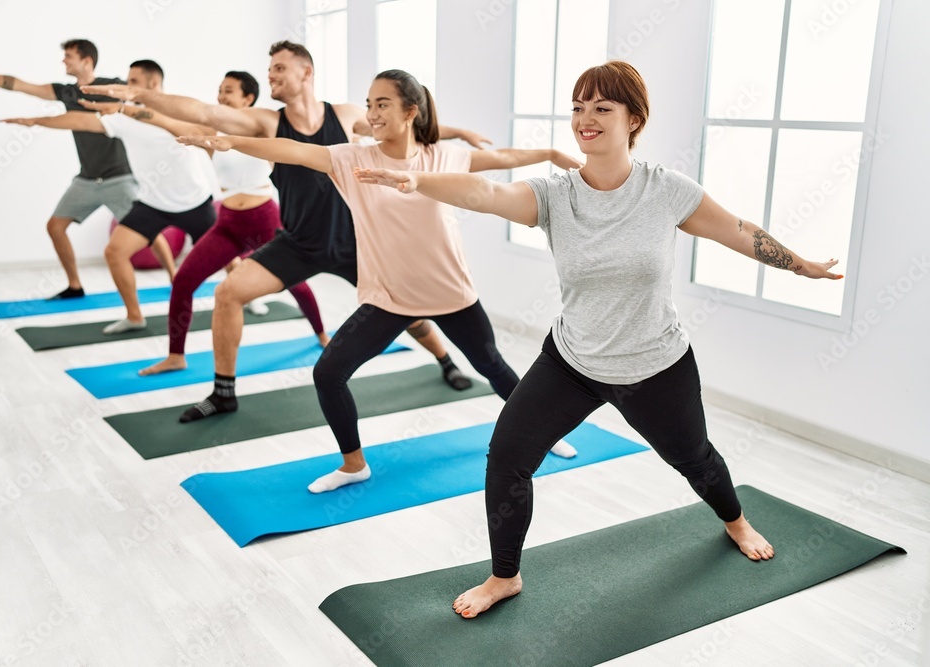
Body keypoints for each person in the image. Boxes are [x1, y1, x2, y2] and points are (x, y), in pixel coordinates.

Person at [355, 61, 844, 618]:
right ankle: (503, 577)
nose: (586, 120)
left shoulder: (665, 191)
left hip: (656, 363)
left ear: (633, 119)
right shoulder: (555, 195)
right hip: (574, 360)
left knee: (695, 460)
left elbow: (738, 231)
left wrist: (799, 265)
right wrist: (418, 180)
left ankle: (735, 520)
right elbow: (486, 194)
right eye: (578, 107)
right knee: (507, 459)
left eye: (602, 108)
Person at [177, 68, 584, 492]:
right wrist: (230, 141)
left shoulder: (444, 155)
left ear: (411, 111)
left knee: (493, 368)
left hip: (451, 293)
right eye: (368, 104)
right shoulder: (353, 158)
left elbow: (504, 158)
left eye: (382, 104)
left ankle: (543, 437)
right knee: (328, 373)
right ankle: (353, 464)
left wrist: (552, 154)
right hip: (389, 299)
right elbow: (292, 150)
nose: (370, 113)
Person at [82, 41, 486, 409]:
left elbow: (404, 127)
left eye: (278, 69)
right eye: (269, 69)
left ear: (306, 73)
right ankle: (223, 393)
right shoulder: (266, 122)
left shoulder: (345, 116)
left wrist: (458, 132)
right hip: (297, 242)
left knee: (409, 313)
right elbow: (206, 113)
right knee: (228, 293)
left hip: (356, 243)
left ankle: (446, 361)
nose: (271, 76)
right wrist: (140, 95)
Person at [103, 70, 329, 375]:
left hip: (264, 218)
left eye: (229, 91)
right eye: (220, 90)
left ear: (248, 98)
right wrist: (124, 106)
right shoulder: (213, 133)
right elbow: (166, 120)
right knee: (183, 281)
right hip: (228, 222)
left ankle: (322, 335)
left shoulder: (266, 130)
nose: (221, 96)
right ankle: (175, 356)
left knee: (295, 283)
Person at [0, 40, 175, 298]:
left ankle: (175, 277)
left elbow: (146, 100)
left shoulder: (112, 86)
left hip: (119, 178)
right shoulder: (67, 92)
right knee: (55, 226)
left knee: (148, 232)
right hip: (86, 180)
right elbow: (17, 84)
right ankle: (75, 285)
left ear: (87, 61)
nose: (64, 61)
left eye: (69, 56)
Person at [2, 60, 218, 334]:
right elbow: (82, 120)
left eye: (134, 82)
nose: (128, 87)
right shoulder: (124, 116)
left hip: (194, 202)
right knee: (114, 252)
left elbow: (207, 131)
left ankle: (252, 299)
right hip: (152, 203)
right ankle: (134, 315)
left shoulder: (178, 112)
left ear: (153, 84)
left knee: (228, 256)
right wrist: (37, 121)